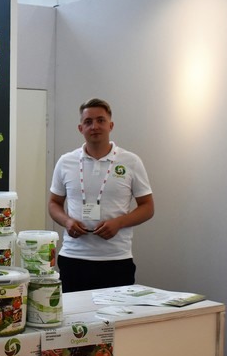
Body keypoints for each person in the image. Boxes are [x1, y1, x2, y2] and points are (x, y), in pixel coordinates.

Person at [48, 98, 154, 293]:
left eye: (100, 120)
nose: (94, 126)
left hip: (116, 259)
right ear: (80, 128)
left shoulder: (131, 162)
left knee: (116, 313)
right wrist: (67, 221)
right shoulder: (66, 162)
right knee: (74, 312)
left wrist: (119, 223)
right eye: (88, 122)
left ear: (110, 125)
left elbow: (148, 207)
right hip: (73, 258)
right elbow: (54, 203)